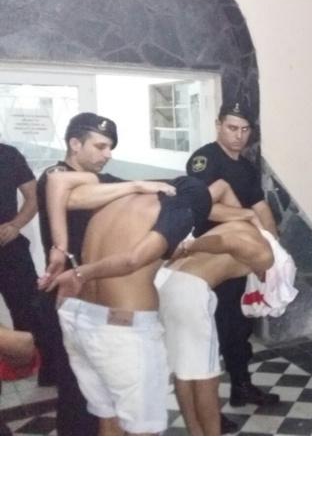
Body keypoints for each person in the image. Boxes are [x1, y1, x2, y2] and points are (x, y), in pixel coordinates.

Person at [42, 173, 211, 435]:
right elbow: (133, 259)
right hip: (123, 330)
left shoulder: (116, 196)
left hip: (80, 320)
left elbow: (57, 181)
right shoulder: (182, 206)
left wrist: (59, 247)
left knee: (109, 421)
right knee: (143, 430)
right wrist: (79, 273)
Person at [35, 112, 164, 435]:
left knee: (96, 389)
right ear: (74, 144)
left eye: (110, 148)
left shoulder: (95, 180)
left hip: (88, 294)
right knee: (75, 388)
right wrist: (60, 248)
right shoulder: (56, 175)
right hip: (66, 292)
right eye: (100, 146)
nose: (108, 154)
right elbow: (58, 183)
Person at [187, 101, 279, 409]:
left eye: (244, 129)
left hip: (239, 259)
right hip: (210, 259)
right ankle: (208, 411)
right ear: (218, 125)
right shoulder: (205, 160)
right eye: (232, 128)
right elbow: (201, 207)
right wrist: (245, 217)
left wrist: (273, 249)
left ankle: (241, 387)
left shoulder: (247, 167)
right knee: (211, 332)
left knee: (238, 326)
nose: (238, 135)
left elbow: (260, 206)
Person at [158, 220, 276, 435]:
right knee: (206, 377)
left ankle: (196, 433)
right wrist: (188, 245)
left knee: (184, 371)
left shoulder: (242, 225)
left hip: (166, 280)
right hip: (189, 291)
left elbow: (225, 238)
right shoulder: (265, 254)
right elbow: (224, 242)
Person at [0, 143, 38, 340]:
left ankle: (29, 355)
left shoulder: (9, 154)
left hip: (8, 245)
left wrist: (16, 225)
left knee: (30, 312)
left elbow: (34, 197)